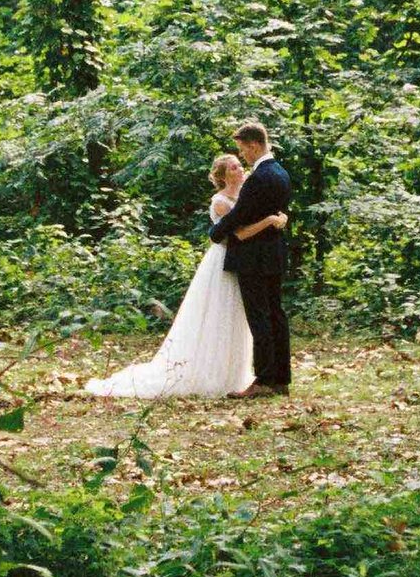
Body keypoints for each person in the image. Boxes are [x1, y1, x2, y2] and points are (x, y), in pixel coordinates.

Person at [84, 154, 286, 399]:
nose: (241, 169)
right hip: (223, 261)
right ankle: (209, 373)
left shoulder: (247, 194)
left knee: (237, 318)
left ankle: (236, 372)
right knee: (216, 316)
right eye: (234, 167)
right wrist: (269, 221)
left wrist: (280, 217)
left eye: (240, 165)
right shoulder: (221, 202)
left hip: (244, 263)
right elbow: (239, 234)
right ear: (223, 176)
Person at [210, 121, 291, 397]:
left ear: (255, 145)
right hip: (274, 253)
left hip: (254, 256)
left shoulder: (259, 177)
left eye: (243, 150)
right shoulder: (281, 173)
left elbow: (240, 214)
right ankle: (281, 378)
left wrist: (216, 231)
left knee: (260, 318)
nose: (243, 155)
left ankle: (264, 380)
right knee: (276, 314)